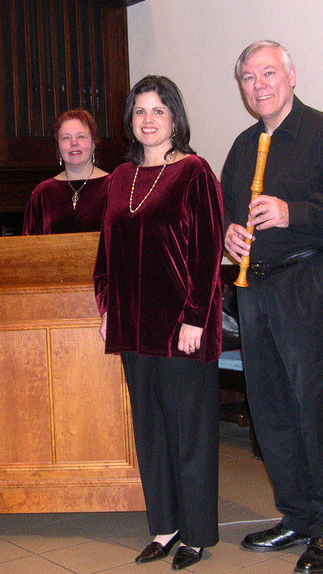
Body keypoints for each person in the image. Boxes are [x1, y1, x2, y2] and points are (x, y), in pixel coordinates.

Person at [222, 40, 323, 574]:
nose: (259, 84)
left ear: (291, 74)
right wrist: (229, 239)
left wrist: (295, 213)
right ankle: (297, 515)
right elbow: (227, 215)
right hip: (256, 289)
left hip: (313, 280)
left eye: (268, 73)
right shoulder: (243, 147)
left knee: (321, 410)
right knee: (271, 412)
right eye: (248, 77)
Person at [94, 75, 223, 570]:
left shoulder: (194, 172)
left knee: (188, 431)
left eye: (158, 111)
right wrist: (106, 308)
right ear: (130, 120)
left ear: (175, 118)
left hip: (181, 328)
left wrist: (196, 316)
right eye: (140, 111)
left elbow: (209, 253)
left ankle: (195, 533)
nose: (148, 120)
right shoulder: (119, 179)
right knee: (149, 430)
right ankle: (165, 526)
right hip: (132, 328)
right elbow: (106, 253)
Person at [22, 109, 109, 234]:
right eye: (66, 138)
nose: (74, 143)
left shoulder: (113, 188)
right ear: (58, 146)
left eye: (81, 136)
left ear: (94, 143)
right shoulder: (42, 194)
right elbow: (28, 246)